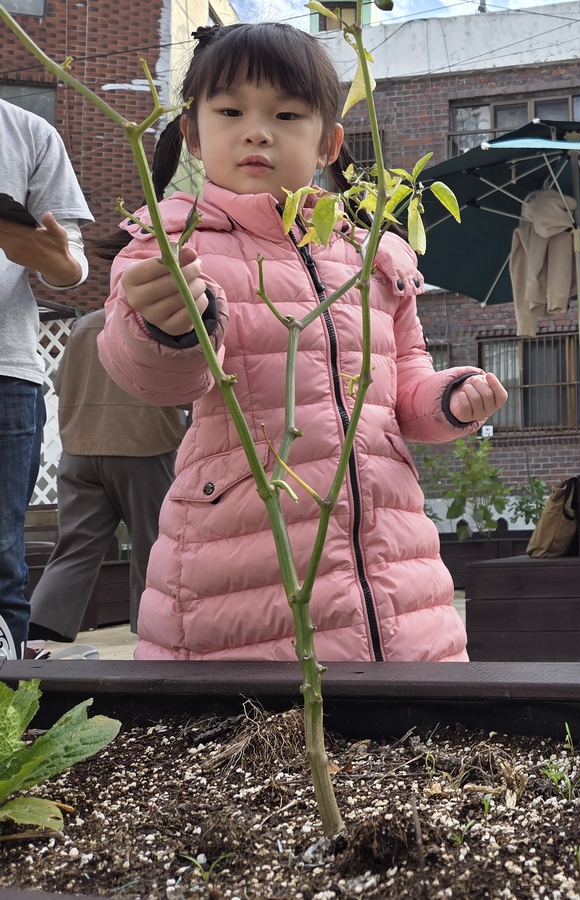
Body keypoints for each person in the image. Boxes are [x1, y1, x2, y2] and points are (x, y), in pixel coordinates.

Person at [97, 23, 508, 661]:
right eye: (230, 112)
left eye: (286, 115)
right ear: (193, 135)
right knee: (253, 720)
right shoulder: (174, 246)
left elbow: (403, 390)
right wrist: (169, 327)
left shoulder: (372, 255)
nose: (257, 132)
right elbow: (156, 380)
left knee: (415, 717)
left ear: (328, 144)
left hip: (395, 568)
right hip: (242, 566)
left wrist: (451, 399)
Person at [27, 309, 187, 646]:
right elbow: (185, 388)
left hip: (80, 449)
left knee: (77, 544)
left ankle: (39, 628)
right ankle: (153, 634)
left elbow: (61, 383)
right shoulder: (157, 321)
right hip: (143, 445)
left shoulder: (85, 324)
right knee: (153, 544)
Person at [0, 97, 93, 659]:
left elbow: (71, 264)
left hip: (6, 371)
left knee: (2, 554)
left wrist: (53, 257)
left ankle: (8, 693)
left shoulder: (28, 132)